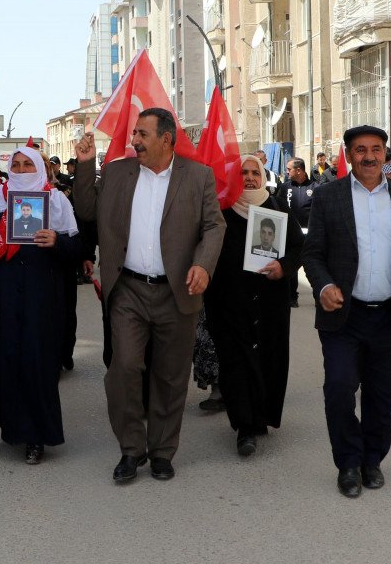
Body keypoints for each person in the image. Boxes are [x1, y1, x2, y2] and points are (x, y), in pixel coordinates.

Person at [72, 109, 226, 484]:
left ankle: (161, 451)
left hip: (177, 292)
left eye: (142, 134)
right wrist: (85, 163)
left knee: (171, 377)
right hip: (128, 290)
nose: (134, 141)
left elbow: (213, 226)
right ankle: (131, 449)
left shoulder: (197, 176)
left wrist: (203, 265)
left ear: (166, 139)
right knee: (123, 368)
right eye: (134, 133)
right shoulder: (116, 173)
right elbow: (85, 209)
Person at [301, 124, 391, 499]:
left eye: (376, 149)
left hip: (390, 314)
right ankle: (347, 463)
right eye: (361, 150)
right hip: (345, 314)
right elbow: (312, 254)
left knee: (383, 396)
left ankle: (372, 460)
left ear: (385, 153)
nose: (369, 156)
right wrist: (324, 286)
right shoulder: (329, 197)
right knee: (339, 389)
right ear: (348, 155)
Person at [0, 147, 82, 464]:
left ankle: (35, 435)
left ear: (40, 168)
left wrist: (57, 242)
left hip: (40, 295)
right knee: (4, 357)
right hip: (0, 294)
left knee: (35, 361)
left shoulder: (55, 201)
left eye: (29, 164)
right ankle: (9, 426)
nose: (22, 168)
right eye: (16, 164)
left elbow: (76, 249)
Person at [204, 155, 303, 457]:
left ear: (262, 177)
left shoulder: (275, 207)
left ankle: (262, 415)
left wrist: (283, 268)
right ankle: (244, 425)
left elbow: (299, 247)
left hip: (270, 301)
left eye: (253, 173)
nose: (248, 178)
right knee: (236, 360)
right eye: (243, 173)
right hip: (229, 300)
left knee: (269, 359)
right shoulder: (222, 211)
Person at [278, 157, 314, 307]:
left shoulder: (316, 187)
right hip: (290, 236)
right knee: (291, 268)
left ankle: (319, 295)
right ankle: (292, 297)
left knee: (312, 267)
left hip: (310, 236)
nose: (286, 172)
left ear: (298, 170)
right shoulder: (285, 188)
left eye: (288, 169)